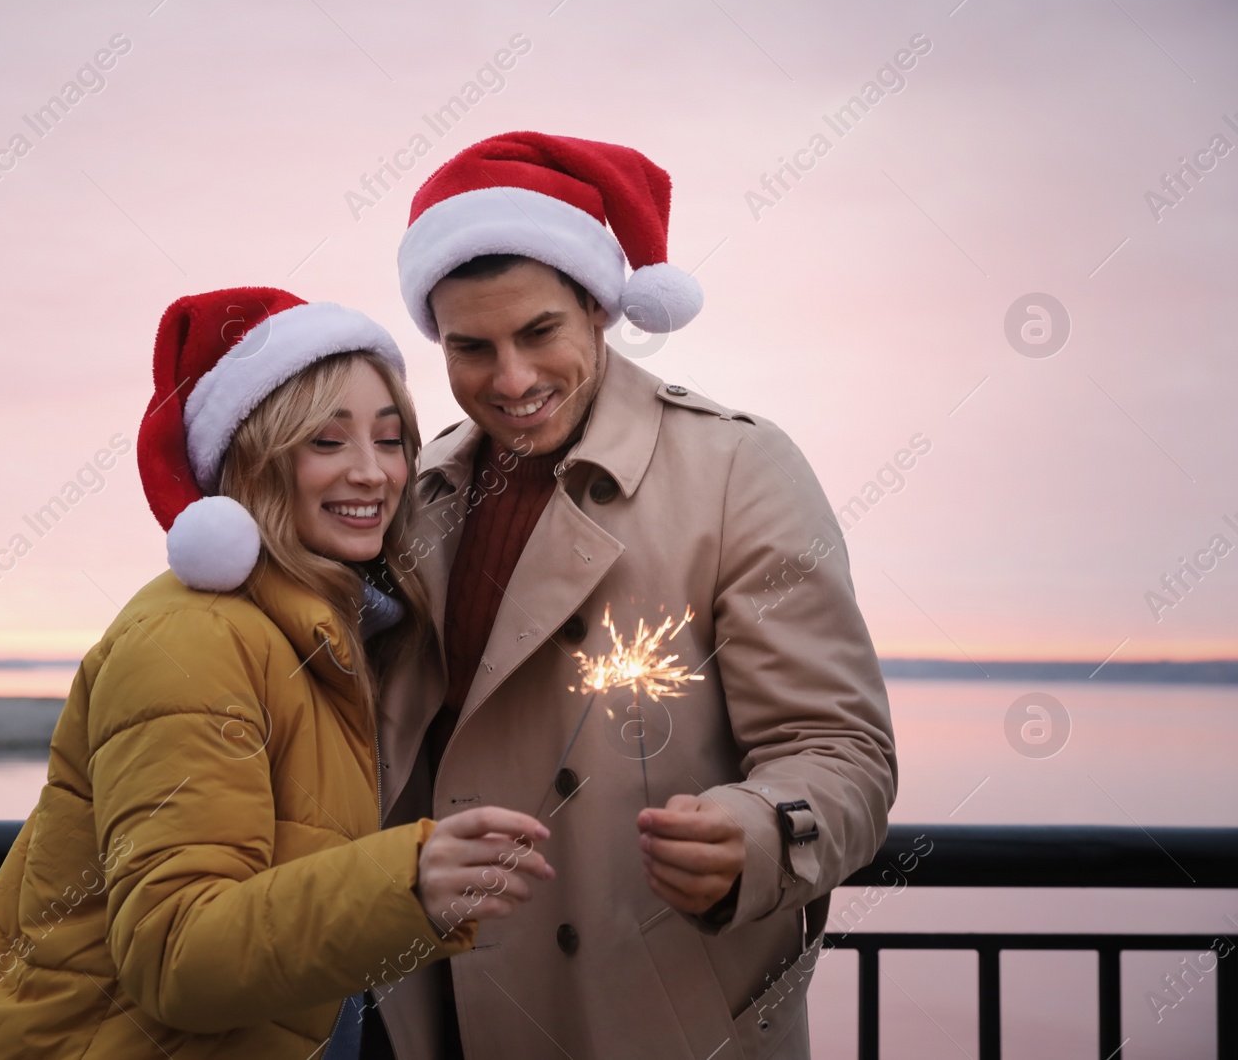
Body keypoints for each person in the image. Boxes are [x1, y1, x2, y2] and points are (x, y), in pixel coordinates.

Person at [365, 133, 898, 1059]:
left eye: (539, 334)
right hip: (432, 1009)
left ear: (600, 310)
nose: (513, 381)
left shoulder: (739, 469)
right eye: (472, 347)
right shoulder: (417, 492)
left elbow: (841, 749)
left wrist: (756, 831)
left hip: (648, 1016)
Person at [0, 287, 554, 1060]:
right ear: (256, 459)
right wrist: (408, 883)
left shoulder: (322, 633)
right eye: (327, 442)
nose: (373, 473)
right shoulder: (195, 639)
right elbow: (176, 953)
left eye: (391, 440)